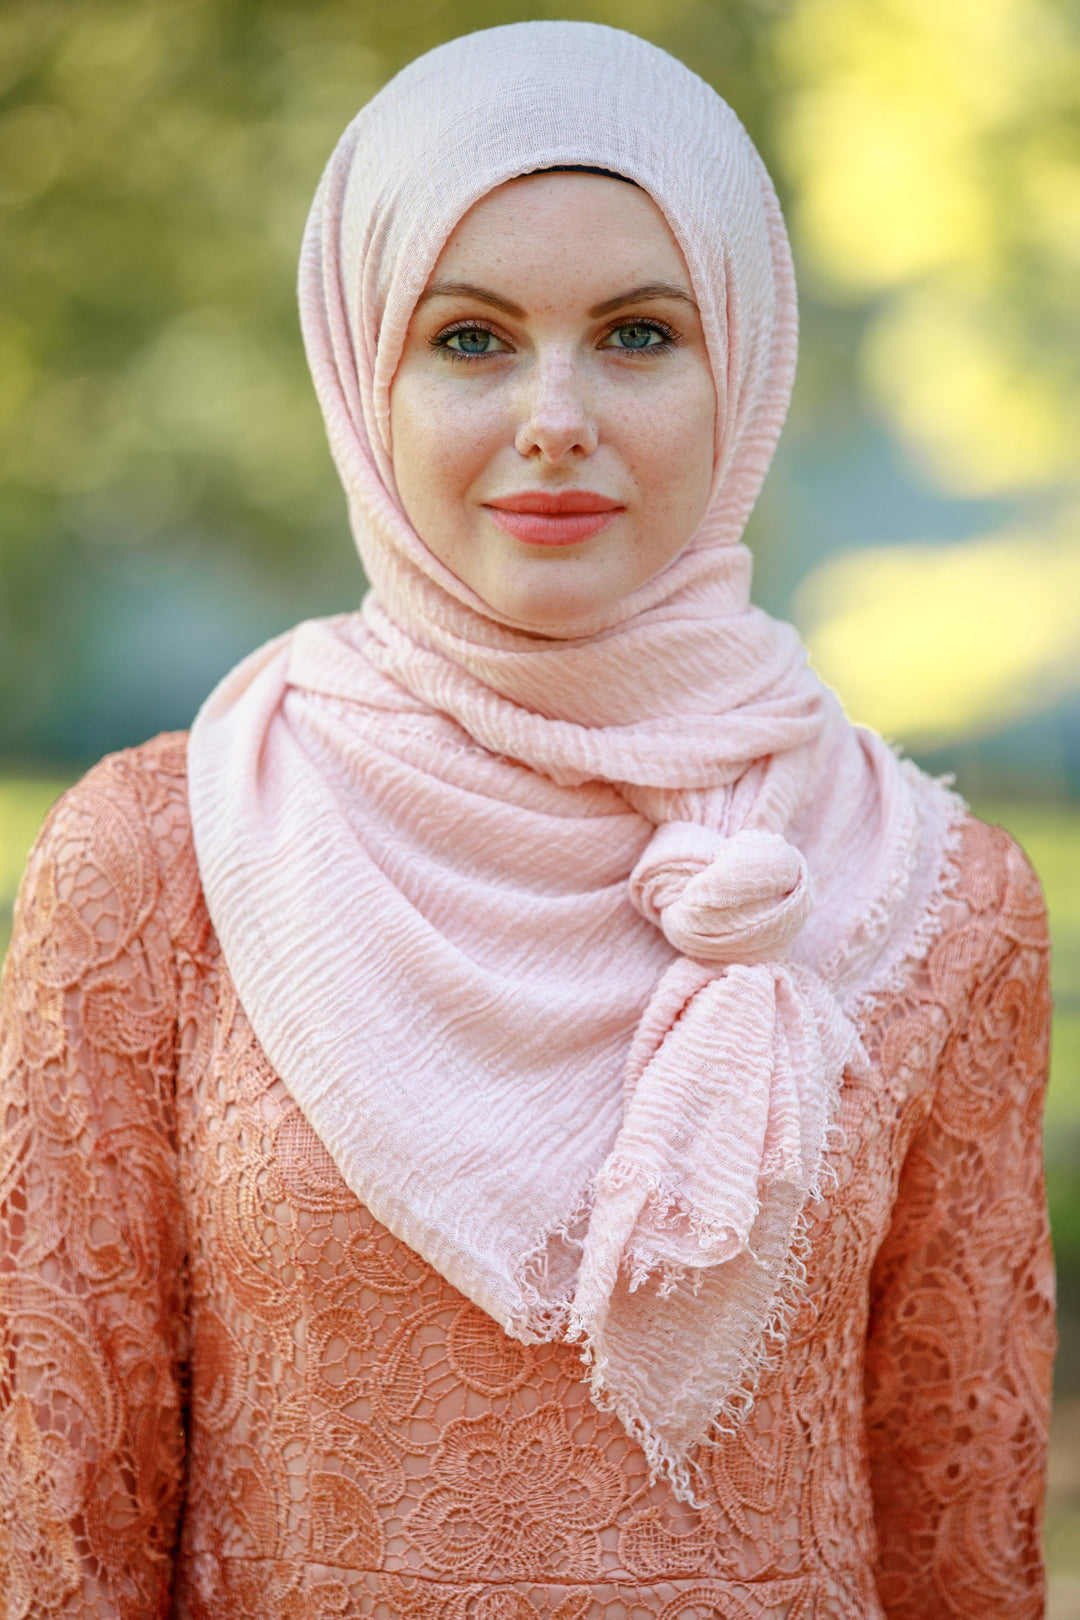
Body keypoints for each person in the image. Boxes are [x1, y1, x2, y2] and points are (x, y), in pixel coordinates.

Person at [0, 22, 1054, 1620]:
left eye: (636, 334)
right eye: (472, 339)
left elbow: (956, 1541)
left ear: (744, 368)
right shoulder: (166, 859)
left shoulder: (941, 898)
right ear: (367, 371)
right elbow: (60, 1527)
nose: (554, 414)